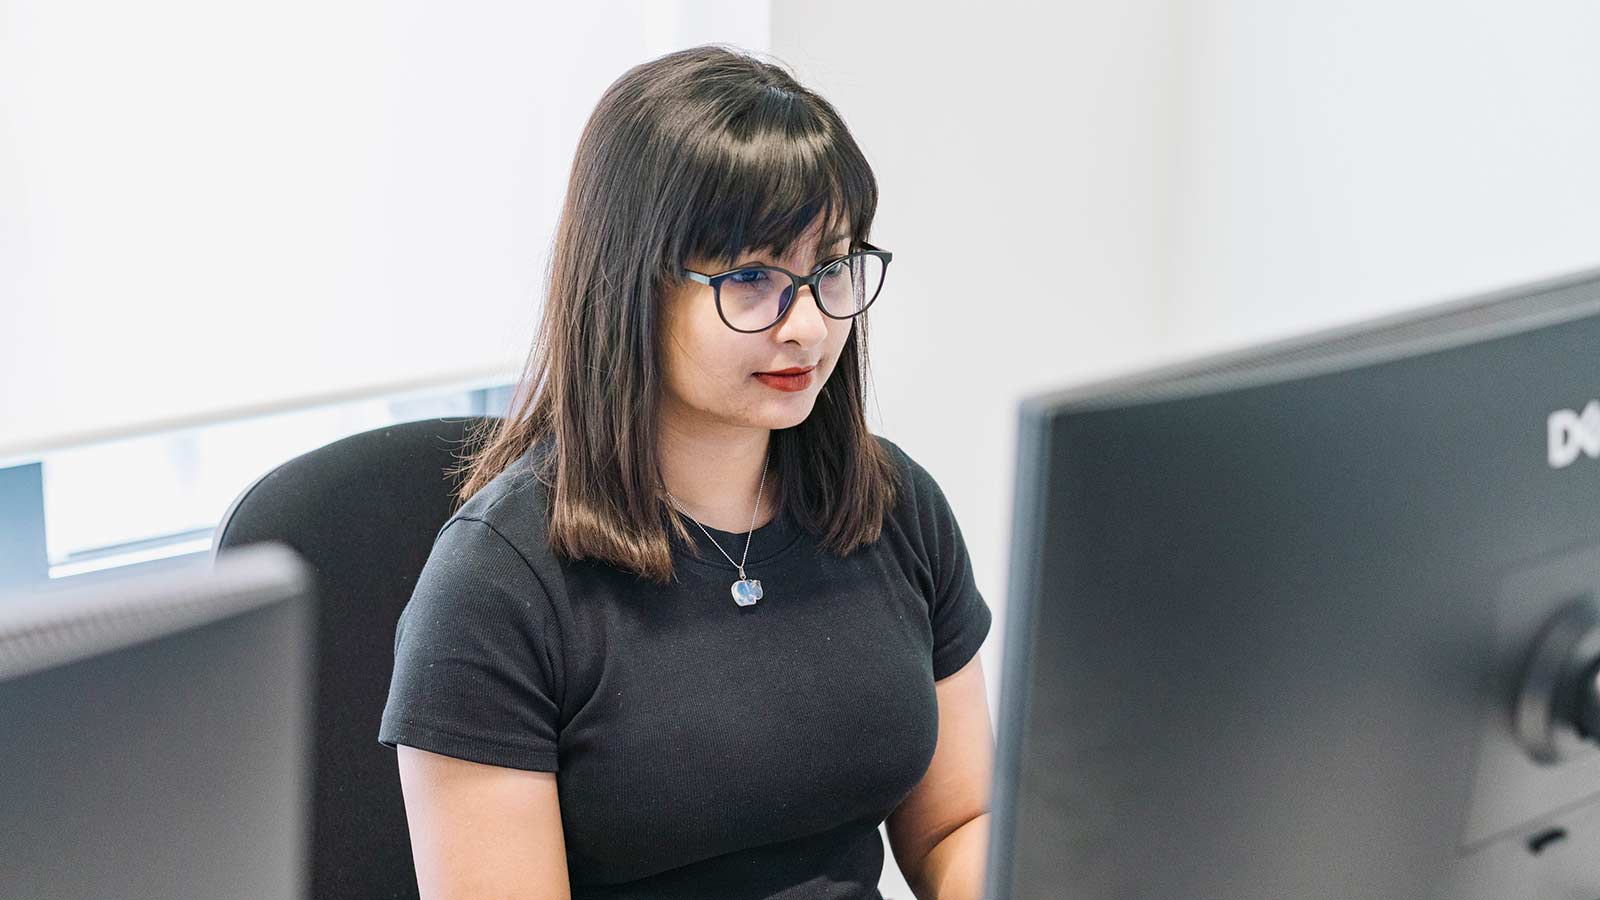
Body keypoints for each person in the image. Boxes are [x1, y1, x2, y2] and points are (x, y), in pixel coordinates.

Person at [378, 43, 994, 900]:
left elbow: (959, 825)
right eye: (752, 278)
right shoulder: (496, 587)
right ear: (630, 285)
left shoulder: (892, 506)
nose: (808, 327)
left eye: (833, 269)